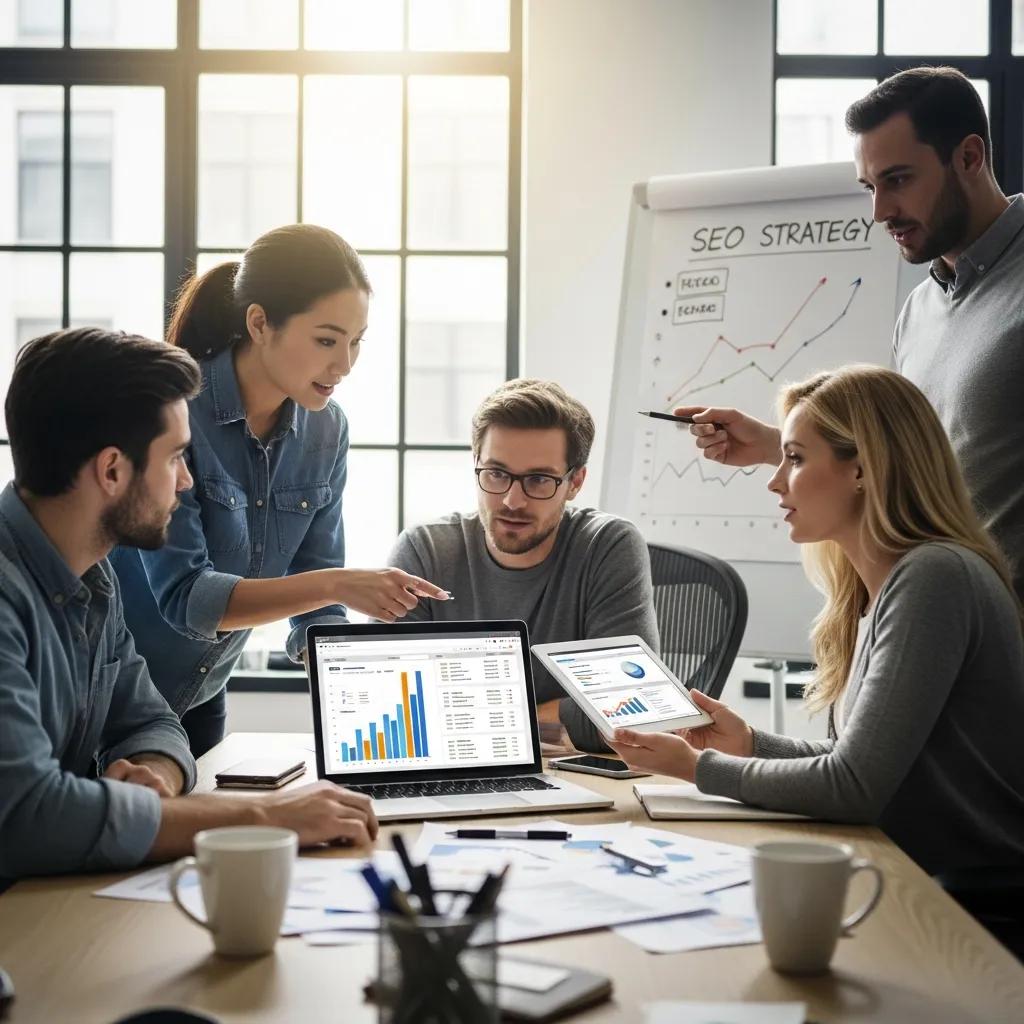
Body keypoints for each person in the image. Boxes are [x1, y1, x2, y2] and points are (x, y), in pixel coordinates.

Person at [609, 366, 1024, 875]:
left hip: (964, 900)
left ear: (862, 470)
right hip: (900, 869)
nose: (774, 480)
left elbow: (853, 787)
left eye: (796, 458)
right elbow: (855, 759)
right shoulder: (884, 587)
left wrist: (696, 767)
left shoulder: (934, 578)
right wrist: (749, 745)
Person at [0, 328, 377, 880]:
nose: (185, 481)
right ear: (112, 470)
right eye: (176, 456)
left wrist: (155, 775)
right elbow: (28, 814)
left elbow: (151, 720)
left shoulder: (94, 579)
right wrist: (266, 817)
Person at [680, 67, 1024, 602]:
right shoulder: (919, 312)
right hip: (932, 616)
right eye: (870, 187)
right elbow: (909, 469)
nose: (880, 211)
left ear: (969, 157)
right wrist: (776, 445)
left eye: (899, 180)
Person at [110, 224, 446, 757]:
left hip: (202, 694)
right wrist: (338, 585)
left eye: (356, 342)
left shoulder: (327, 429)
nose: (344, 364)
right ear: (260, 323)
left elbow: (316, 593)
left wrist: (367, 697)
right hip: (114, 701)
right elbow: (188, 599)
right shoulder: (176, 413)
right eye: (326, 340)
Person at [387, 378, 658, 753]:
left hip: (575, 776)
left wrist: (466, 720)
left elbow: (632, 708)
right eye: (496, 474)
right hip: (456, 767)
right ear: (476, 464)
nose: (512, 501)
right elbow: (394, 706)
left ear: (575, 482)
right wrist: (560, 718)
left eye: (539, 479)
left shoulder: (607, 546)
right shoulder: (424, 552)